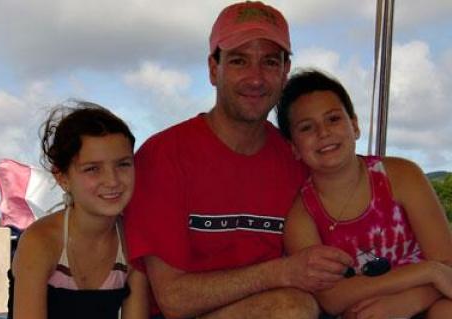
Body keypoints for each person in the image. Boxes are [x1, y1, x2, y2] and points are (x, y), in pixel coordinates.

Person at [123, 2, 353, 319]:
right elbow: (173, 298)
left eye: (269, 62)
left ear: (285, 71)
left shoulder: (297, 157)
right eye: (239, 61)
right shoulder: (163, 155)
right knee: (291, 308)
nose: (255, 78)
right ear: (212, 69)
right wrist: (282, 273)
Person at [277, 69, 452, 319]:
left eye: (333, 119)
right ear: (293, 147)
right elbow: (332, 298)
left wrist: (409, 301)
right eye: (307, 127)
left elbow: (446, 264)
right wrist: (428, 272)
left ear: (355, 125)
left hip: (426, 299)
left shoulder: (401, 176)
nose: (323, 132)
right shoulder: (301, 218)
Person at [8, 101, 149, 319]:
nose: (112, 181)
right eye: (92, 169)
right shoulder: (41, 242)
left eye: (123, 164)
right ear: (62, 177)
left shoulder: (132, 240)